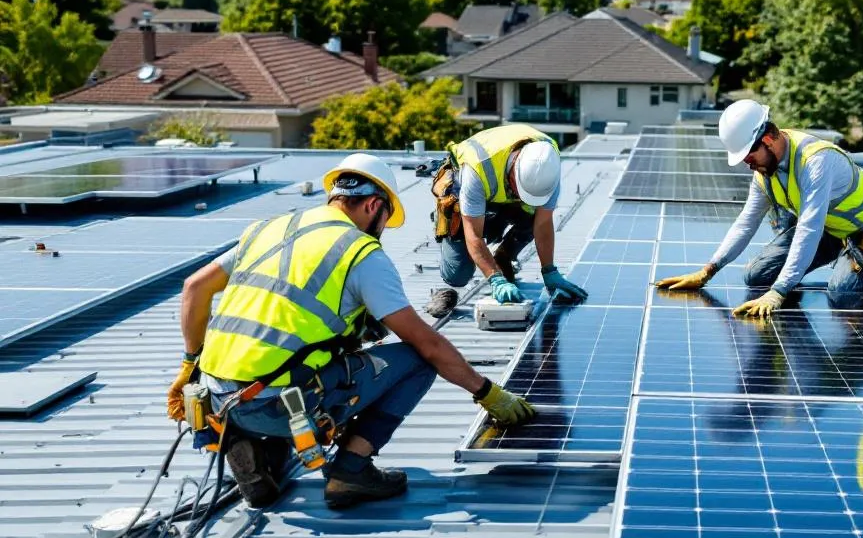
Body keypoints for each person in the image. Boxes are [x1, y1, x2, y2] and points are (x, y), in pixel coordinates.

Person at [167, 153, 538, 510]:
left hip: (214, 400)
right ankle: (350, 471)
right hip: (281, 407)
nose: (382, 233)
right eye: (386, 219)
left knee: (303, 359)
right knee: (417, 361)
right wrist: (488, 394)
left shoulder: (267, 229)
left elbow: (194, 289)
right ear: (375, 206)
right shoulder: (360, 253)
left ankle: (252, 447)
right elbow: (428, 344)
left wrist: (189, 362)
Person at [655, 100, 863, 317]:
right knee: (755, 275)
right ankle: (830, 262)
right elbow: (746, 223)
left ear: (768, 139)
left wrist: (779, 291)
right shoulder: (765, 172)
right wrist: (709, 270)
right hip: (830, 232)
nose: (748, 166)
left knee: (841, 294)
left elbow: (808, 229)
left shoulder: (815, 161)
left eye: (749, 158)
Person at [425, 123, 587, 317]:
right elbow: (473, 235)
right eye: (522, 192)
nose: (525, 198)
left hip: (502, 197)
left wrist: (549, 271)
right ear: (513, 174)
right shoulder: (478, 170)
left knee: (534, 215)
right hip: (467, 198)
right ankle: (447, 225)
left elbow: (543, 224)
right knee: (457, 276)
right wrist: (496, 279)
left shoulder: (547, 166)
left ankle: (503, 253)